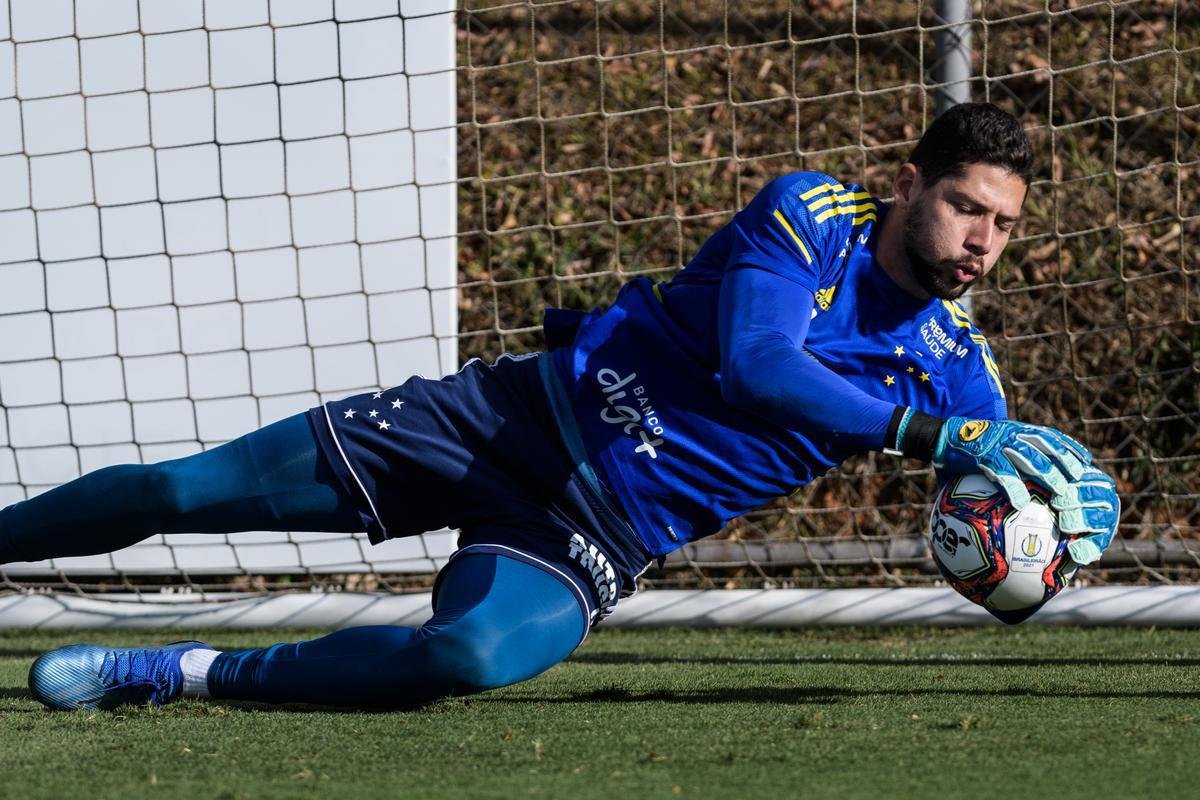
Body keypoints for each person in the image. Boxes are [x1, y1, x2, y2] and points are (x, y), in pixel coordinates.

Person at [6, 102, 1119, 712]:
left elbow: (994, 515)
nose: (983, 242)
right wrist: (937, 436)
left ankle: (172, 670)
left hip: (594, 531)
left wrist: (1045, 547)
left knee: (467, 658)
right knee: (178, 490)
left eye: (1005, 227)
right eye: (967, 208)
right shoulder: (812, 214)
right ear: (910, 182)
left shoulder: (959, 371)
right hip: (511, 417)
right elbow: (754, 365)